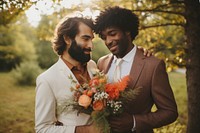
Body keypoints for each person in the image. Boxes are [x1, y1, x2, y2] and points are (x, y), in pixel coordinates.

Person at [95, 6, 178, 133]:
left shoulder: (153, 66)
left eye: (112, 34)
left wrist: (134, 122)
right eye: (104, 37)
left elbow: (170, 112)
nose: (108, 41)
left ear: (127, 31)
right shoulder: (101, 62)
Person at [35, 16, 100, 133]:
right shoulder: (46, 80)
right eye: (85, 39)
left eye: (91, 40)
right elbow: (42, 129)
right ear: (67, 39)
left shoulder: (92, 65)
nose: (91, 46)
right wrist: (86, 130)